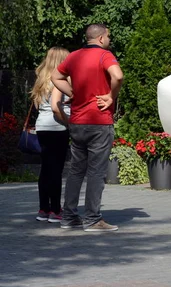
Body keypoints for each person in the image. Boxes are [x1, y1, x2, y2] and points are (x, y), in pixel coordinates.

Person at [51, 24, 124, 231]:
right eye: (108, 36)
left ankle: (69, 217)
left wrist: (73, 93)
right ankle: (92, 219)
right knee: (95, 172)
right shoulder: (104, 55)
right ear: (101, 38)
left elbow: (55, 77)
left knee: (76, 171)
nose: (109, 39)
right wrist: (111, 96)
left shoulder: (74, 56)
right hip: (99, 122)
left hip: (77, 121)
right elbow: (118, 76)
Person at [31, 47, 71, 223]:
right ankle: (55, 210)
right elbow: (57, 107)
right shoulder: (60, 80)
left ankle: (43, 209)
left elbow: (39, 106)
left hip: (42, 126)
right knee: (56, 169)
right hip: (58, 127)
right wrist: (68, 122)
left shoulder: (41, 80)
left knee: (46, 168)